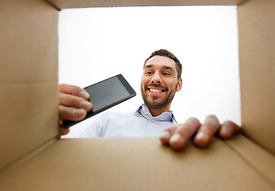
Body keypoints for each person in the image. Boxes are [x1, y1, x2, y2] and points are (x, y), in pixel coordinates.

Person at [58, 49, 240, 150]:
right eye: (149, 72)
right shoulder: (108, 121)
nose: (155, 78)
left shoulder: (186, 137)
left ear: (179, 85)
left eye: (166, 73)